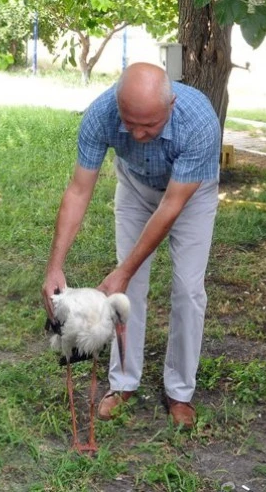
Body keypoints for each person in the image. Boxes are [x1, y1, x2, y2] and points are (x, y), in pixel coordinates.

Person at [42, 62, 220, 428]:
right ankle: (122, 383)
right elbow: (78, 191)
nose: (138, 134)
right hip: (136, 186)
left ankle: (180, 391)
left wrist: (124, 270)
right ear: (117, 102)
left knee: (188, 289)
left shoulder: (199, 121)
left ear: (171, 104)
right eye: (130, 122)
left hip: (190, 195)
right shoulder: (101, 114)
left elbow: (171, 206)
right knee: (127, 291)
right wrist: (54, 266)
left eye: (149, 125)